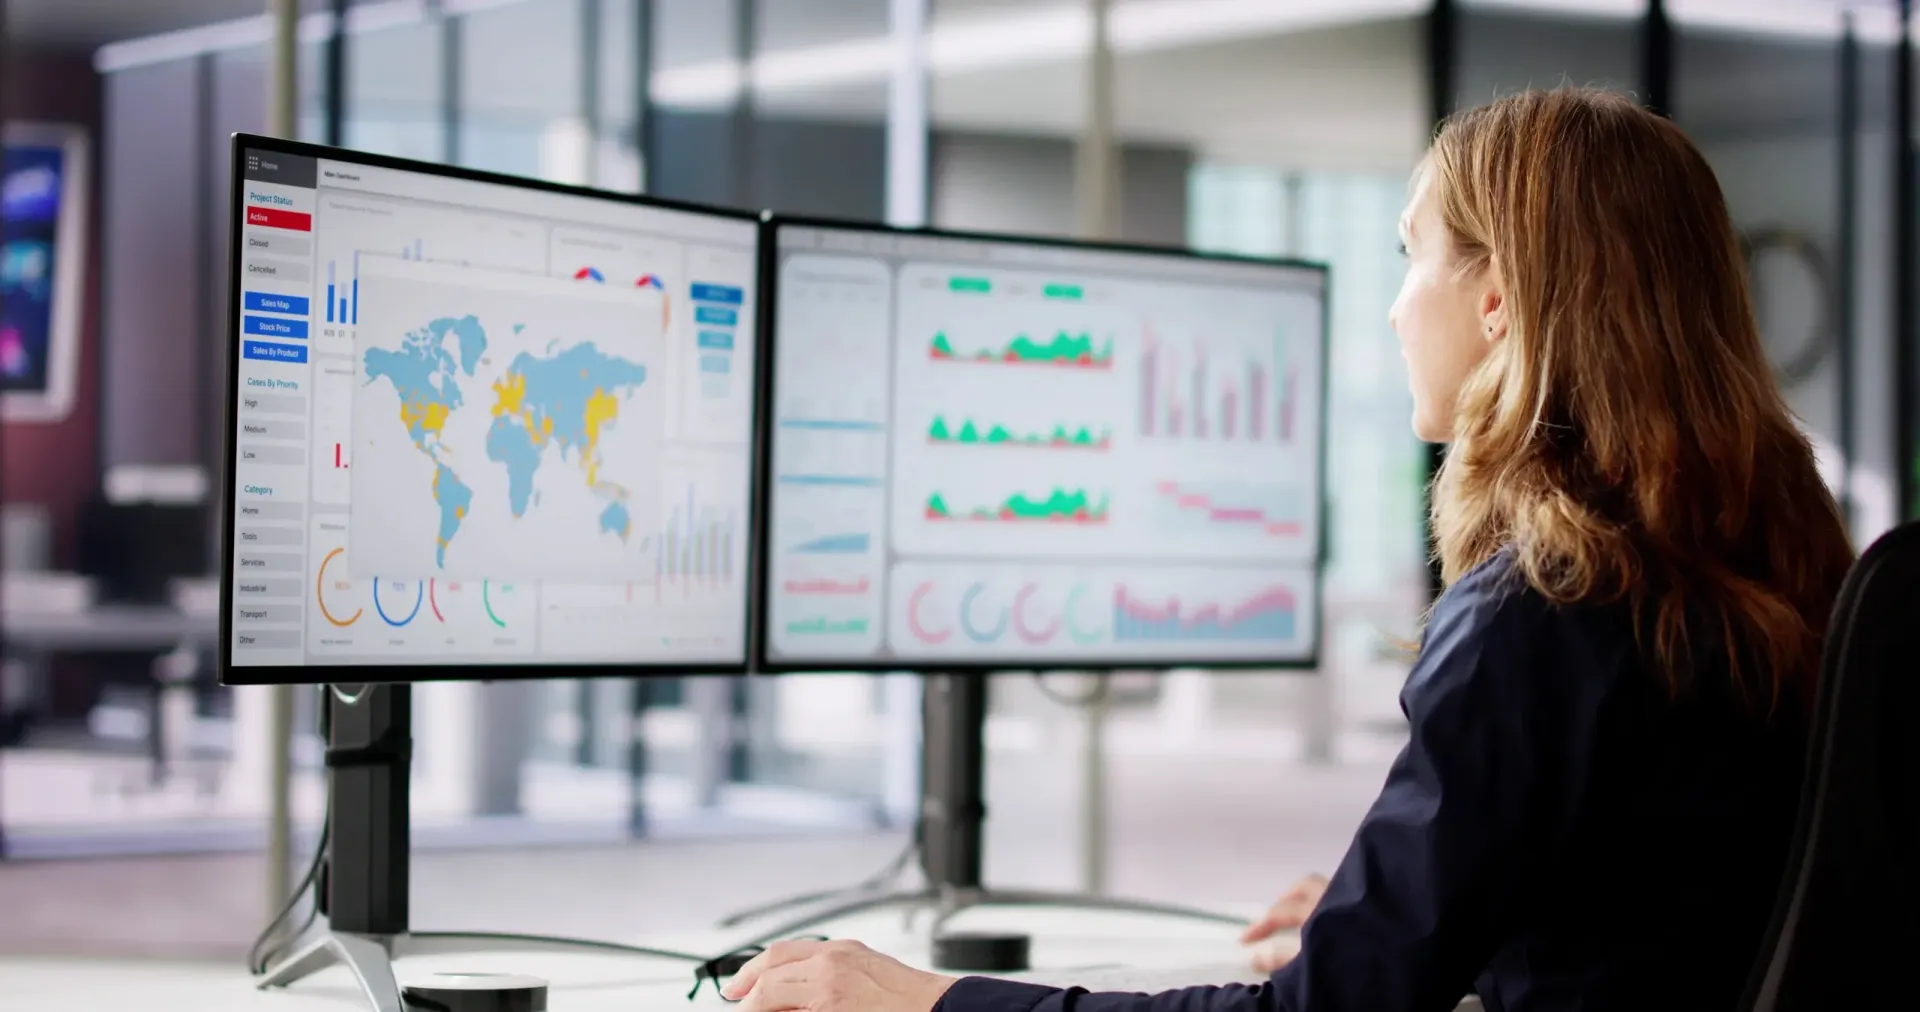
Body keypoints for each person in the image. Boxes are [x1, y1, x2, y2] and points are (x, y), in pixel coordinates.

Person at [721, 86, 1855, 1012]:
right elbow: (1665, 909)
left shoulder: (1543, 602)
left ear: (1499, 299)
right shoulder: (1774, 566)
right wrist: (1400, 917)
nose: (1395, 311)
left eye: (1414, 257)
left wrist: (931, 1002)